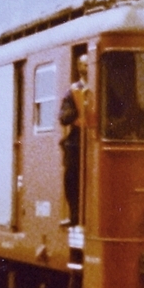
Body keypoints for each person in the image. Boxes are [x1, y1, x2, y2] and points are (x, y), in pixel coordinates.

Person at [59, 55, 90, 226]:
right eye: (84, 65)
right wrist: (79, 110)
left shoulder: (103, 87)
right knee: (71, 176)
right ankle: (74, 215)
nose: (87, 68)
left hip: (96, 137)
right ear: (79, 68)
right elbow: (63, 117)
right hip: (78, 140)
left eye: (89, 64)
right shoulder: (72, 91)